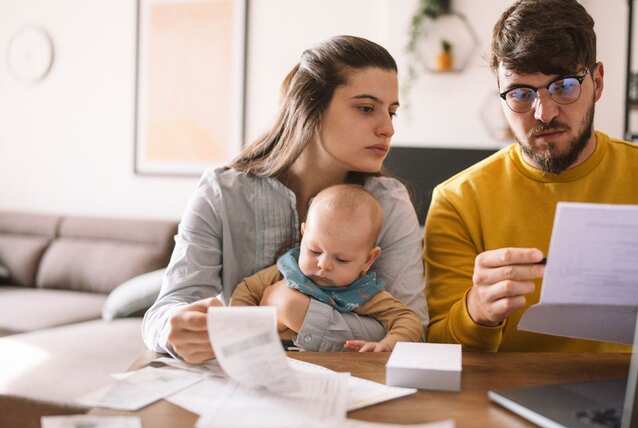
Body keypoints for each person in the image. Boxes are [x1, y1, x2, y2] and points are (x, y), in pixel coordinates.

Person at [424, 0, 638, 352]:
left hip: (637, 395)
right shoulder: (457, 201)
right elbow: (435, 348)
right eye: (520, 94)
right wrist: (476, 312)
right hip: (502, 399)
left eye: (562, 86)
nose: (544, 113)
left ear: (598, 82)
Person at [142, 35, 428, 363]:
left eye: (391, 112)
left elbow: (412, 328)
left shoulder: (389, 203)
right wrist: (173, 330)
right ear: (310, 107)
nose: (387, 128)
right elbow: (164, 311)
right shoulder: (221, 193)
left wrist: (297, 311)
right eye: (366, 108)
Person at [229, 184, 424, 352]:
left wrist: (389, 344)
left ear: (368, 260)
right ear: (303, 234)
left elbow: (408, 320)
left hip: (333, 367)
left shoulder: (363, 293)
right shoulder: (287, 269)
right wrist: (240, 330)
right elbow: (246, 290)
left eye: (342, 259)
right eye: (314, 251)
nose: (324, 265)